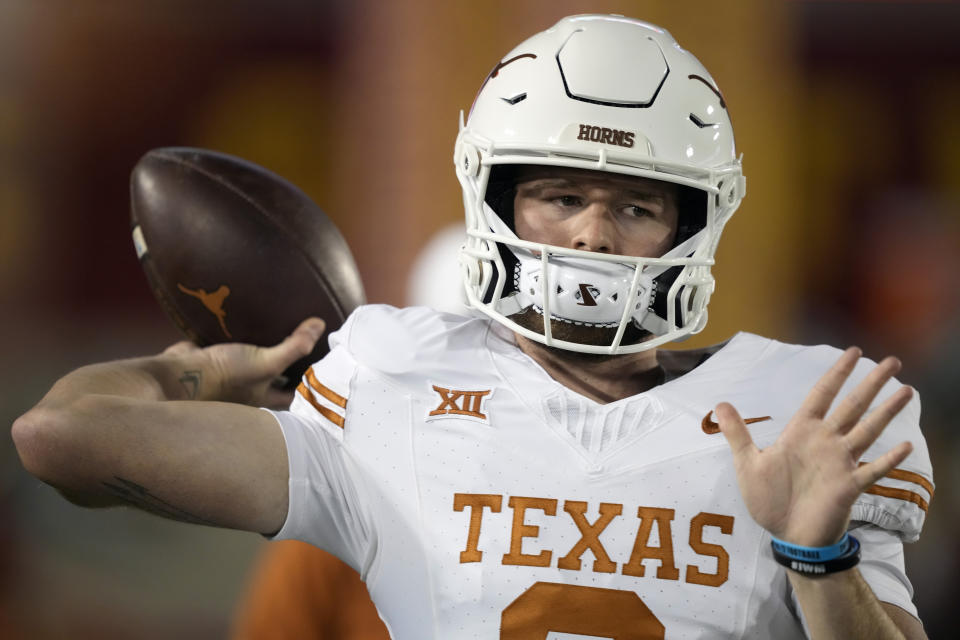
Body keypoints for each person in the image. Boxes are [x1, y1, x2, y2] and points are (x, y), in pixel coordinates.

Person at [12, 15, 932, 639]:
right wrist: (199, 375)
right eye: (560, 194)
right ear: (496, 198)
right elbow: (58, 437)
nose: (589, 233)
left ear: (696, 222)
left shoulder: (801, 414)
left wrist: (818, 557)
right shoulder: (388, 390)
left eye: (636, 206)